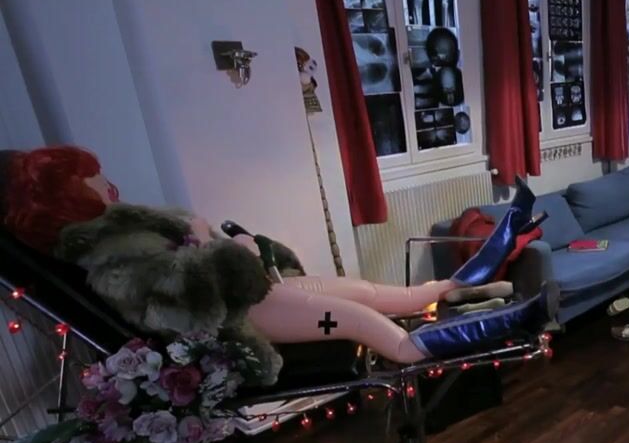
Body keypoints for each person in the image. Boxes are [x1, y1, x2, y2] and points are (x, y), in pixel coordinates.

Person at [2, 147, 553, 367]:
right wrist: (228, 249)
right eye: (91, 178)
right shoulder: (113, 256)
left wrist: (218, 245)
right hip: (243, 318)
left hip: (258, 295)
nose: (106, 181)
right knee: (376, 329)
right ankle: (511, 321)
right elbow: (183, 299)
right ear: (66, 196)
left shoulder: (122, 232)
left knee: (370, 292)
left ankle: (487, 260)